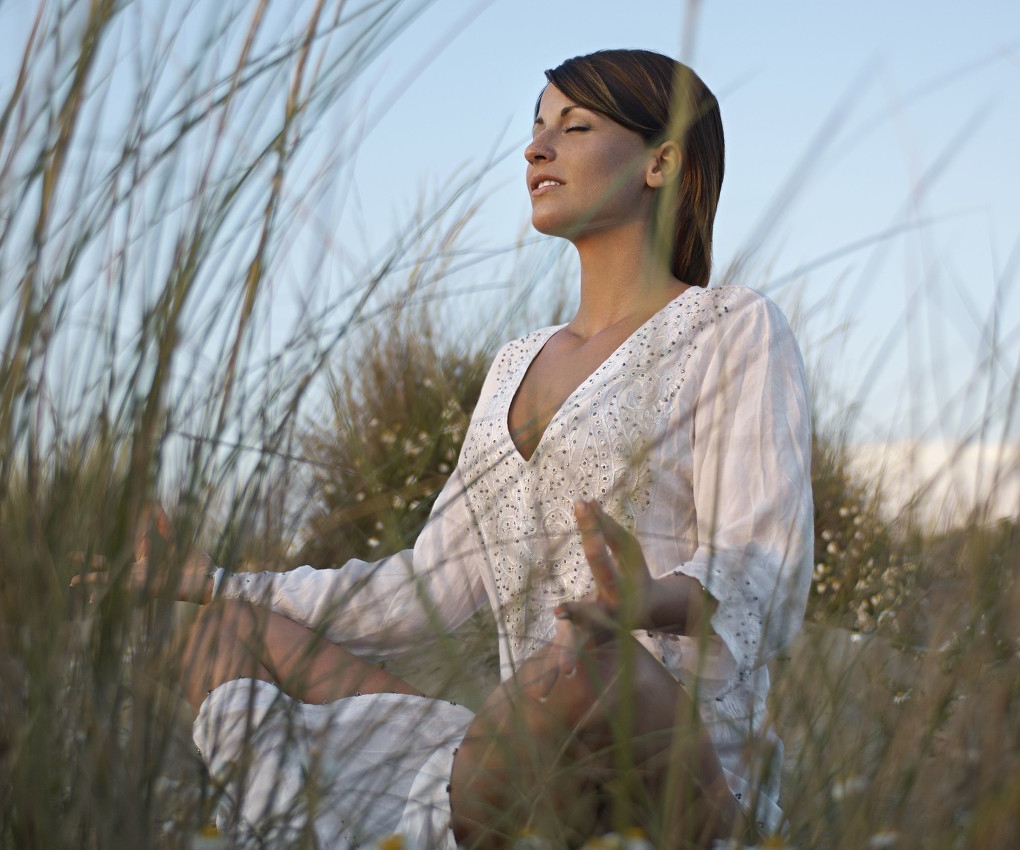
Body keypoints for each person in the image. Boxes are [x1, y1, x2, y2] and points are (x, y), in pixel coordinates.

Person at [77, 48, 813, 849]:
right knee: (223, 632)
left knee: (582, 665)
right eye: (536, 129)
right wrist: (216, 583)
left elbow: (764, 570)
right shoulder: (511, 366)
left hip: (663, 746)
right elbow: (424, 585)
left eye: (574, 127)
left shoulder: (731, 328)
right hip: (516, 747)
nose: (536, 149)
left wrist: (649, 601)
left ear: (660, 162)